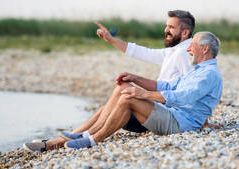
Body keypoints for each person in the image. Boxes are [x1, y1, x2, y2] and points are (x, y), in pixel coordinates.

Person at [23, 31, 222, 152]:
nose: (188, 50)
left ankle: (92, 140)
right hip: (173, 115)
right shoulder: (197, 71)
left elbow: (182, 97)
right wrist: (135, 79)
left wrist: (141, 95)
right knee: (124, 88)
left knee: (128, 99)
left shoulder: (209, 74)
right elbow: (167, 87)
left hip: (181, 124)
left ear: (204, 50)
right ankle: (85, 134)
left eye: (192, 46)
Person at [95, 10, 195, 81]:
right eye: (166, 26)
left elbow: (190, 90)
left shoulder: (184, 53)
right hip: (160, 100)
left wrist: (146, 95)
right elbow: (143, 52)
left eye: (171, 27)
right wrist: (111, 40)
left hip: (168, 106)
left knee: (124, 94)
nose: (166, 30)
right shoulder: (174, 50)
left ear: (185, 33)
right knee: (122, 92)